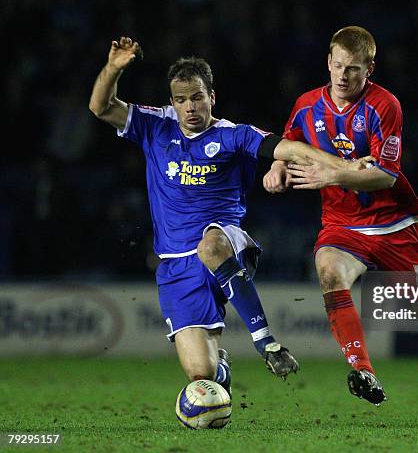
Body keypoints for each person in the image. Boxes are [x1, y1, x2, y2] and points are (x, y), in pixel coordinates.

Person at [88, 37, 362, 393]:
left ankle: (266, 342)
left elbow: (290, 147)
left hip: (227, 243)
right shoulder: (155, 126)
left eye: (198, 97)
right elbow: (100, 107)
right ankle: (221, 372)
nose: (190, 107)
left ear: (211, 97)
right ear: (172, 102)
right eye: (182, 99)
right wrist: (113, 68)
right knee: (201, 375)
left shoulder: (232, 135)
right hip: (174, 265)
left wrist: (344, 166)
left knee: (210, 245)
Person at [264, 26, 418, 424]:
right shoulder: (307, 105)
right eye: (338, 66)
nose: (343, 76)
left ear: (369, 69)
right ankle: (363, 369)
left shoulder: (384, 105)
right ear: (328, 62)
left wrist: (333, 175)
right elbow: (288, 144)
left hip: (392, 225)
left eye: (354, 69)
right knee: (328, 271)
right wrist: (277, 167)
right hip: (342, 224)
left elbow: (385, 176)